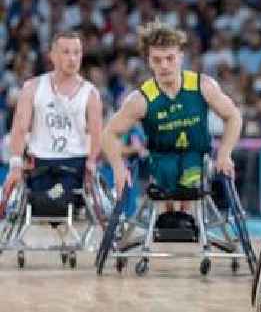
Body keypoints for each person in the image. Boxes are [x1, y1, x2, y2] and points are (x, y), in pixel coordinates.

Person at [101, 21, 242, 206]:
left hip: (197, 157)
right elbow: (108, 133)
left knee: (189, 179)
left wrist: (224, 154)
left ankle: (184, 216)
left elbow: (233, 116)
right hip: (160, 161)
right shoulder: (141, 99)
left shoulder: (202, 85)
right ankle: (168, 220)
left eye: (170, 58)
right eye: (157, 60)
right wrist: (119, 169)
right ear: (149, 60)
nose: (164, 65)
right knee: (166, 179)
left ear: (181, 57)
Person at [6, 31, 102, 204]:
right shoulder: (32, 87)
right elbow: (19, 128)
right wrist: (15, 164)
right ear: (52, 56)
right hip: (40, 165)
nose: (72, 58)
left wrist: (92, 163)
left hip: (74, 165)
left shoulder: (91, 93)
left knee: (53, 201)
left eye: (76, 52)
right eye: (66, 52)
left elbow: (96, 134)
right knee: (39, 203)